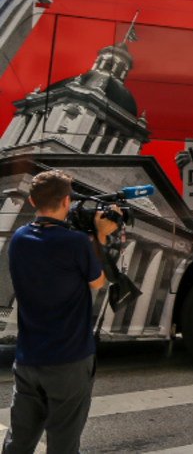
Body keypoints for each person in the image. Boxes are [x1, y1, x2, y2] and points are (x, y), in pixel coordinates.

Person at [4, 170, 118, 454]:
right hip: (69, 359)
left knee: (19, 441)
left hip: (28, 359)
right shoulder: (75, 242)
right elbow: (97, 282)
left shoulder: (19, 238)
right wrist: (100, 236)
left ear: (32, 201)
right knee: (63, 444)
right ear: (67, 201)